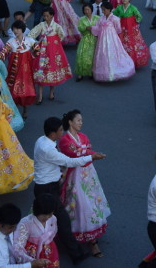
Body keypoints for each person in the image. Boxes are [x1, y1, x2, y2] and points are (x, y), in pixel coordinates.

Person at [33, 116, 105, 265]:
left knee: (46, 219)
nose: (62, 132)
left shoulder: (42, 140)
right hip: (47, 189)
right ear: (53, 133)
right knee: (63, 221)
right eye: (60, 130)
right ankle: (76, 254)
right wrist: (92, 157)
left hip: (46, 186)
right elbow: (69, 161)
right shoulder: (48, 149)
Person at [58, 109, 110, 257]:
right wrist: (92, 155)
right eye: (78, 120)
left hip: (88, 175)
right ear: (70, 122)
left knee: (91, 203)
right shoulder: (64, 140)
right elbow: (74, 156)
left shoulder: (83, 137)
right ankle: (84, 238)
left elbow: (86, 151)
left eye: (81, 120)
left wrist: (92, 154)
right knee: (80, 205)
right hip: (73, 177)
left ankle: (91, 239)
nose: (81, 123)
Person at [0, 203, 50, 268]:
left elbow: (15, 250)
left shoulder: (8, 228)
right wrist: (31, 265)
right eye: (11, 227)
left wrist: (33, 261)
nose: (15, 230)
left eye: (15, 226)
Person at [11, 193, 60, 268]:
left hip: (50, 250)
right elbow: (17, 247)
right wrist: (32, 261)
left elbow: (53, 233)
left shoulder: (53, 218)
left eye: (50, 214)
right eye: (45, 214)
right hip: (32, 254)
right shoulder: (25, 223)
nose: (48, 217)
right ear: (37, 212)